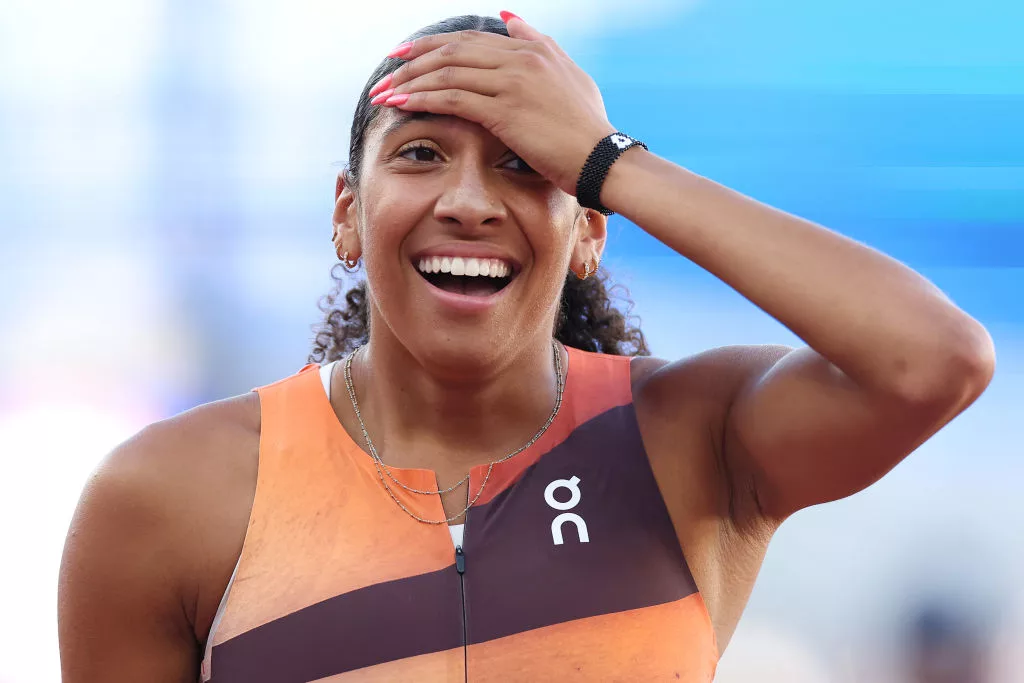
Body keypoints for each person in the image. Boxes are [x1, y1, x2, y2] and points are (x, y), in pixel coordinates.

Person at [57, 12, 995, 683]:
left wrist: (608, 158)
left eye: (526, 163)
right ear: (348, 214)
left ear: (589, 230)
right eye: (421, 153)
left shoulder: (689, 438)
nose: (469, 200)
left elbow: (935, 360)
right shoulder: (170, 495)